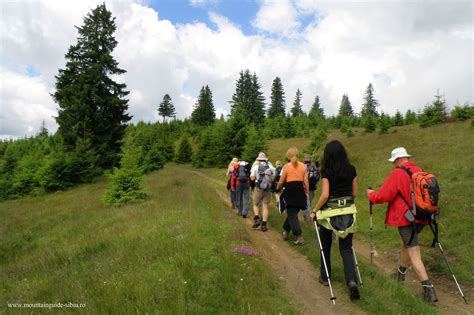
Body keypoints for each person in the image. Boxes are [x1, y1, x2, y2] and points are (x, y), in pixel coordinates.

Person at [367, 147, 438, 303]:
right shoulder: (418, 170)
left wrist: (371, 195)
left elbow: (384, 195)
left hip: (407, 219)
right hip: (422, 217)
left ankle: (429, 291)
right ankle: (400, 275)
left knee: (413, 253)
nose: (393, 165)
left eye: (393, 162)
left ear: (397, 160)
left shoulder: (398, 173)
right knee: (405, 245)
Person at [310, 140, 360, 300]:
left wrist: (315, 210)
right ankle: (351, 281)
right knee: (346, 248)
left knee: (325, 245)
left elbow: (325, 195)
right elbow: (354, 193)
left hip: (328, 214)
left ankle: (325, 277)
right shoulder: (351, 170)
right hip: (348, 212)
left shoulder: (327, 171)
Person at [276, 147, 309, 245]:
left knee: (292, 214)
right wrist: (306, 193)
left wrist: (277, 188)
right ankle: (285, 231)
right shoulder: (304, 166)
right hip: (300, 191)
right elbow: (306, 182)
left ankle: (299, 236)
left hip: (290, 190)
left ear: (288, 155)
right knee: (292, 213)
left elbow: (281, 180)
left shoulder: (286, 166)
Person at [250, 152, 275, 232]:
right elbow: (274, 177)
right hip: (267, 189)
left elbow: (252, 178)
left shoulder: (256, 167)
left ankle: (257, 218)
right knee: (265, 206)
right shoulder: (271, 167)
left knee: (255, 204)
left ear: (258, 159)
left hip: (258, 188)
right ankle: (264, 225)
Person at [304, 155, 320, 220]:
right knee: (309, 201)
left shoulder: (302, 166)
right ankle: (307, 216)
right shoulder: (314, 167)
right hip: (312, 187)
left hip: (304, 186)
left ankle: (307, 216)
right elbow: (318, 177)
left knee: (305, 201)